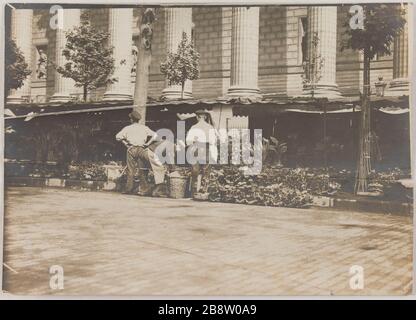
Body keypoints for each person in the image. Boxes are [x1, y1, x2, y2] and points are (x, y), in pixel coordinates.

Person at [116, 110, 167, 197]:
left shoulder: (127, 128)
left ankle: (129, 189)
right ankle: (145, 188)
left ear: (131, 119)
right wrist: (147, 143)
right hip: (141, 149)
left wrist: (126, 144)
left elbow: (118, 137)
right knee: (143, 168)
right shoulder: (144, 128)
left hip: (131, 149)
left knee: (131, 169)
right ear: (138, 120)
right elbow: (156, 135)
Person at [186, 109, 219, 196]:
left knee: (195, 171)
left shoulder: (193, 127)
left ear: (197, 117)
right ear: (205, 117)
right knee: (206, 171)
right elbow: (213, 142)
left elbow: (188, 142)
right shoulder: (210, 127)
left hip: (195, 149)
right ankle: (204, 191)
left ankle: (193, 191)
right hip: (206, 149)